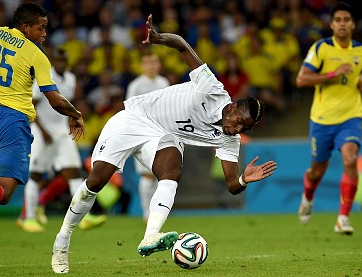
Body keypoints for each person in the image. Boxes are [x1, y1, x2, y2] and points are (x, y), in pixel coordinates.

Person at [51, 14, 277, 274]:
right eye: (238, 121)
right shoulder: (212, 88)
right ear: (234, 106)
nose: (236, 129)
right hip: (133, 119)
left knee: (171, 171)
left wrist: (244, 180)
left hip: (160, 135)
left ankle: (150, 235)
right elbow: (182, 44)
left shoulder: (229, 137)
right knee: (96, 183)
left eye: (243, 129)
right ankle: (62, 241)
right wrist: (159, 38)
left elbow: (231, 185)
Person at [0, 3, 85, 206]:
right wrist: (76, 115)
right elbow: (55, 100)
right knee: (3, 190)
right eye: (40, 27)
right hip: (13, 122)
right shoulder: (37, 55)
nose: (44, 33)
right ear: (25, 27)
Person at [296, 2, 362, 235]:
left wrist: (360, 83)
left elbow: (354, 78)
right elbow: (301, 79)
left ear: (353, 24)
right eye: (338, 20)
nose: (342, 23)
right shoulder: (322, 48)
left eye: (346, 19)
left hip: (350, 117)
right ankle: (308, 196)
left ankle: (343, 218)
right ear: (331, 24)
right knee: (317, 171)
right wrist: (332, 74)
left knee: (350, 160)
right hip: (322, 120)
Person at [16, 48, 88, 232]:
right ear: (52, 62)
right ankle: (29, 218)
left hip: (62, 133)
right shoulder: (44, 76)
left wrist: (72, 117)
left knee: (74, 173)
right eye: (58, 61)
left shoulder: (70, 78)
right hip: (42, 133)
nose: (61, 64)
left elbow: (67, 103)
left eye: (64, 61)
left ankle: (82, 218)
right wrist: (43, 130)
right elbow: (32, 105)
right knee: (36, 175)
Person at [126, 51, 170, 221]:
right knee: (147, 174)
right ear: (142, 66)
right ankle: (146, 212)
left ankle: (157, 210)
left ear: (159, 65)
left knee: (161, 174)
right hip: (143, 134)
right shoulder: (136, 85)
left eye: (154, 62)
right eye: (148, 63)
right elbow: (129, 110)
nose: (151, 66)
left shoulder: (163, 82)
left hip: (161, 133)